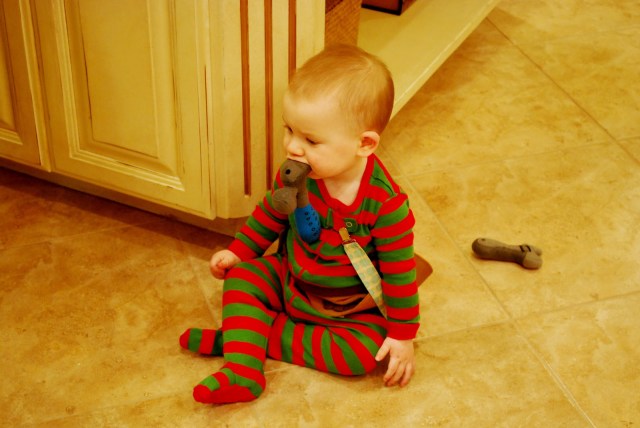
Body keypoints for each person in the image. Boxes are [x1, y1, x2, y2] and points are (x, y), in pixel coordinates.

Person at [179, 44, 422, 404]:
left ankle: (246, 334)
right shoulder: (296, 174)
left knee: (361, 355)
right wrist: (239, 252)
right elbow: (270, 213)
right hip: (291, 276)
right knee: (243, 277)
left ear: (364, 144)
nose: (293, 147)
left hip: (347, 306)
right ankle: (243, 370)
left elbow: (399, 273)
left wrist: (402, 335)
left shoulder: (386, 206)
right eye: (289, 130)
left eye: (311, 140)